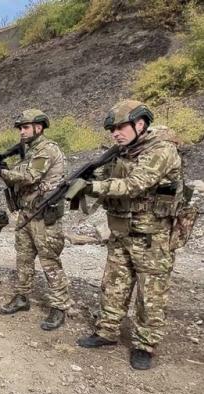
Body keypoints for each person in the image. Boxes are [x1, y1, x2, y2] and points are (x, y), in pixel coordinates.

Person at [74, 100, 185, 370]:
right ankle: (107, 332)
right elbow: (108, 177)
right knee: (114, 284)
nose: (115, 133)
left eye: (120, 127)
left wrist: (91, 186)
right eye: (112, 129)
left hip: (153, 235)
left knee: (151, 294)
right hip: (122, 230)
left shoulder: (161, 150)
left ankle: (145, 344)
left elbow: (135, 185)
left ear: (140, 124)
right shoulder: (122, 152)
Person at [0, 110, 72, 330]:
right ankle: (22, 296)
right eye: (20, 128)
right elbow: (20, 173)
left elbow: (29, 177)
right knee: (23, 259)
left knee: (49, 262)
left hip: (44, 216)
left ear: (39, 127)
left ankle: (59, 306)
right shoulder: (29, 151)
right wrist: (1, 164)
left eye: (25, 127)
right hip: (27, 213)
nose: (22, 131)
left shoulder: (47, 150)